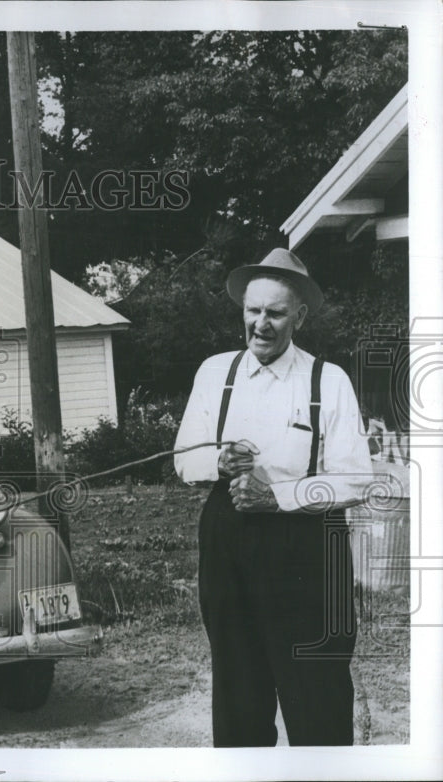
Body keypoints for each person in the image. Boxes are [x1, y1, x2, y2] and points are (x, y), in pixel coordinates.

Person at [174, 248, 373, 747]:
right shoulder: (215, 372)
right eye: (253, 310)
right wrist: (218, 462)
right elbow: (183, 459)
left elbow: (354, 479)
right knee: (239, 695)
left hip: (306, 546)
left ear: (299, 317)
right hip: (228, 538)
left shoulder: (328, 381)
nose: (261, 324)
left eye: (275, 313)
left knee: (318, 699)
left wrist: (278, 495)